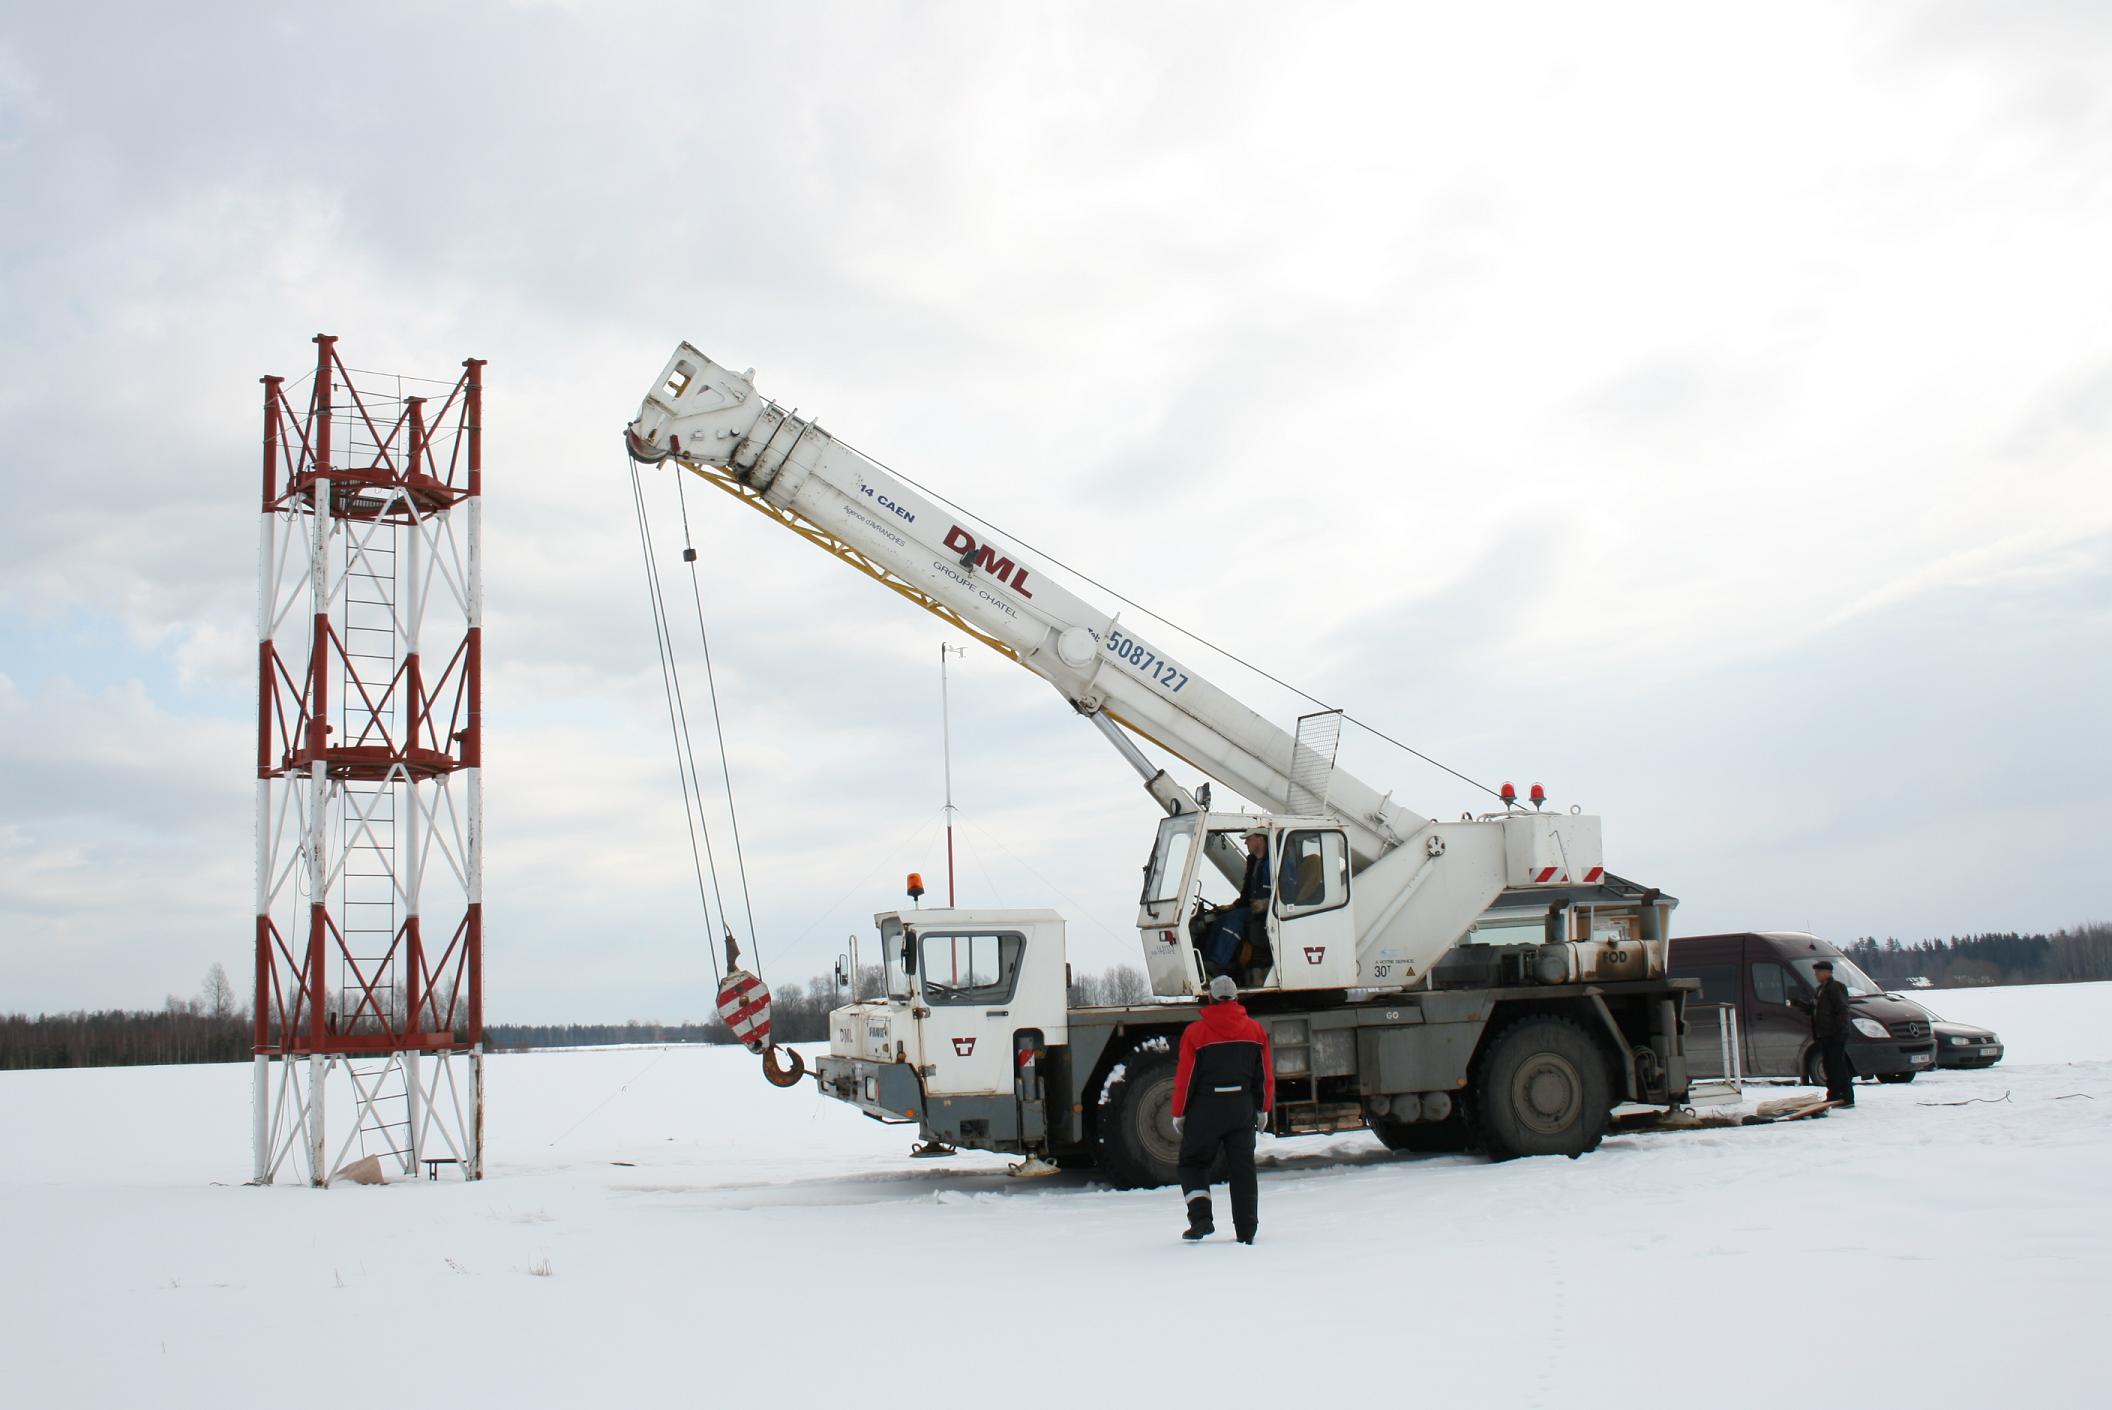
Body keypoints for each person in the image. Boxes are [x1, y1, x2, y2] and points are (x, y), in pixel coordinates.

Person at [1171, 974, 1274, 1244]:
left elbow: (1185, 1078)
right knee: (1243, 1169)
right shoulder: (1255, 1031)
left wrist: (1179, 1113)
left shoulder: (1195, 1033)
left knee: (1192, 1163)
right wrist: (1262, 1109)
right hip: (1241, 1109)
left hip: (1206, 1111)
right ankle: (1246, 1231)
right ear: (1236, 998)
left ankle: (1202, 1219)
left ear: (1210, 998)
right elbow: (1264, 1076)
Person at [1811, 959, 1856, 1107]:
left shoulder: (1836, 987)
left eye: (1819, 972)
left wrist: (1840, 1030)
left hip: (1835, 1033)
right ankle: (1834, 1094)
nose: (1816, 975)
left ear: (1827, 973)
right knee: (1829, 1066)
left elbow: (1842, 1009)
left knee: (1838, 1065)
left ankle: (1847, 1097)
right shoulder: (1820, 989)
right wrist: (1801, 1005)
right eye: (1815, 972)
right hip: (1824, 1033)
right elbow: (1817, 1010)